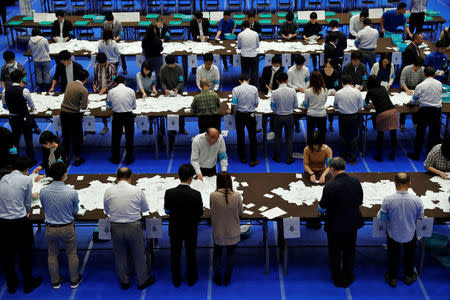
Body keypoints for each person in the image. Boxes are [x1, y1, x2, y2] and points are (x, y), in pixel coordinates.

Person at [103, 167, 155, 290]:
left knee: (120, 255)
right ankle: (142, 281)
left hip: (115, 227)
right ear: (130, 178)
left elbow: (106, 210)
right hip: (134, 227)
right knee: (139, 254)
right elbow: (145, 208)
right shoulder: (137, 190)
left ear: (116, 178)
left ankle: (124, 281)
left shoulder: (108, 191)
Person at [318, 157, 363, 288]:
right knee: (350, 251)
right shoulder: (355, 182)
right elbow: (360, 201)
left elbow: (322, 208)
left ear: (331, 169)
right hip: (351, 224)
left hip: (335, 225)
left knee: (335, 252)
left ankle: (337, 278)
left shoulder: (330, 187)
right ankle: (348, 276)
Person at [0, 156, 42, 294]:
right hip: (19, 221)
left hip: (3, 222)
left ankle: (11, 284)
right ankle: (28, 283)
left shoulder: (3, 178)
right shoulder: (26, 179)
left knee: (8, 254)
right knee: (25, 253)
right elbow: (27, 201)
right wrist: (27, 212)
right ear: (27, 170)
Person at [39, 162, 81, 290]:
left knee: (52, 255)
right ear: (64, 175)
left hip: (51, 228)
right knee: (72, 254)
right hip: (67, 228)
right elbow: (75, 211)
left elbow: (44, 208)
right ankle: (74, 280)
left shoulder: (43, 191)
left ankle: (55, 282)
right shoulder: (71, 192)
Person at [379, 172, 424, 288]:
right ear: (410, 183)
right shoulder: (417, 200)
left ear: (395, 183)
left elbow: (383, 218)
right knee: (410, 255)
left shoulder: (388, 200)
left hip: (393, 234)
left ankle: (392, 278)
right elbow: (420, 218)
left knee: (392, 256)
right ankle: (409, 276)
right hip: (410, 234)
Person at [164, 164, 203, 287]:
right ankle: (191, 278)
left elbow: (167, 211)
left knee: (175, 254)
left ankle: (176, 279)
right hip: (190, 229)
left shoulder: (169, 193)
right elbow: (200, 213)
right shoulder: (196, 194)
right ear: (192, 178)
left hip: (175, 228)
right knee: (191, 253)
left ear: (178, 176)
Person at [210, 171, 243, 286]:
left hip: (219, 232)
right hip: (233, 231)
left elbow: (212, 210)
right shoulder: (237, 196)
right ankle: (227, 277)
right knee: (231, 254)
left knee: (217, 253)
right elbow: (240, 212)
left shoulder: (213, 196)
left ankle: (218, 277)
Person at [407, 66, 443, 160]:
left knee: (420, 133)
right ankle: (431, 156)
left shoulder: (420, 86)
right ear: (434, 74)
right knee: (434, 135)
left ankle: (416, 154)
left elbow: (414, 100)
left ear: (424, 75)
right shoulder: (439, 84)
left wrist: (409, 103)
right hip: (437, 111)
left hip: (425, 111)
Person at [2, 70, 36, 163]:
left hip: (13, 119)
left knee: (14, 141)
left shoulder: (5, 91)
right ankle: (31, 159)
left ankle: (14, 159)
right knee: (28, 139)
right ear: (21, 79)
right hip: (24, 118)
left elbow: (4, 106)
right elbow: (32, 106)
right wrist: (31, 110)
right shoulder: (24, 91)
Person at [364, 75, 398, 162]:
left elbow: (365, 103)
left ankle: (379, 156)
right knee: (393, 134)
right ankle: (393, 153)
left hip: (382, 113)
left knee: (380, 136)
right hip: (393, 111)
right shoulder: (383, 88)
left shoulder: (370, 91)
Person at [60, 69, 89, 166]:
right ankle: (77, 158)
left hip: (63, 113)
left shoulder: (70, 84)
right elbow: (84, 107)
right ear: (85, 79)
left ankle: (65, 158)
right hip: (74, 115)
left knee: (66, 136)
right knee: (76, 137)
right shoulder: (84, 90)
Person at [333, 74, 364, 165]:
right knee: (353, 137)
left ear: (342, 83)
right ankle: (353, 158)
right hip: (354, 117)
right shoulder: (357, 92)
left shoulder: (338, 93)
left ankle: (343, 158)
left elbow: (335, 105)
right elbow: (360, 107)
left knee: (343, 137)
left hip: (343, 117)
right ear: (351, 82)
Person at [107, 76, 136, 166]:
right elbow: (134, 106)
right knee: (129, 137)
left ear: (115, 83)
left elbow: (108, 106)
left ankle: (115, 158)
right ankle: (129, 159)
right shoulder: (131, 91)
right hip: (128, 115)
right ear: (125, 82)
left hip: (117, 116)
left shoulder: (111, 92)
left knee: (115, 137)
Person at [232, 73, 259, 167]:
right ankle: (253, 160)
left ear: (239, 81)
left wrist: (231, 110)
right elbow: (256, 104)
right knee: (252, 137)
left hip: (240, 115)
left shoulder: (235, 89)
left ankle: (242, 157)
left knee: (240, 136)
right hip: (251, 115)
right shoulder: (254, 89)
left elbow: (234, 104)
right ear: (249, 79)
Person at [270, 72, 298, 164]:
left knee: (277, 138)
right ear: (287, 80)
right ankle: (289, 158)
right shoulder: (293, 91)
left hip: (278, 117)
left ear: (277, 81)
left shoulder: (274, 93)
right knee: (289, 138)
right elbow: (295, 106)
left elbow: (272, 107)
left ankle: (277, 157)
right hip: (289, 117)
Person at [160, 55, 187, 134]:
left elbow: (181, 81)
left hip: (178, 91)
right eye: (171, 64)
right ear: (167, 63)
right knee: (169, 110)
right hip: (167, 92)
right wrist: (165, 89)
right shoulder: (163, 69)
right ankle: (172, 129)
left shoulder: (179, 68)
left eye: (173, 63)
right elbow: (162, 81)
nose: (172, 65)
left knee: (181, 110)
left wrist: (177, 89)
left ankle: (182, 127)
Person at [93, 52, 117, 135]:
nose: (101, 65)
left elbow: (114, 80)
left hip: (111, 91)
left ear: (106, 61)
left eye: (102, 64)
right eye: (100, 63)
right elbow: (95, 79)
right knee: (102, 110)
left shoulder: (112, 67)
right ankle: (106, 125)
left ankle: (121, 126)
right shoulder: (96, 67)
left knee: (114, 110)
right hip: (100, 92)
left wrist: (106, 88)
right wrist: (94, 85)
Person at [399, 56, 425, 130]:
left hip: (417, 89)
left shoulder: (422, 69)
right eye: (418, 67)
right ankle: (402, 123)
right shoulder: (406, 69)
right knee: (404, 105)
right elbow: (402, 81)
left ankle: (415, 122)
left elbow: (423, 81)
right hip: (406, 89)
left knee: (416, 106)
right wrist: (407, 90)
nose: (418, 68)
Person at [303, 71, 327, 144]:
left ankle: (310, 149)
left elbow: (306, 104)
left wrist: (305, 103)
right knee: (322, 135)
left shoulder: (308, 91)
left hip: (311, 115)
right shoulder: (325, 90)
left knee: (310, 134)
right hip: (322, 115)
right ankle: (322, 150)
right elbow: (324, 101)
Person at [320, 59, 341, 132]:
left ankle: (331, 123)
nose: (328, 67)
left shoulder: (336, 73)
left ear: (332, 66)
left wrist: (335, 91)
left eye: (329, 66)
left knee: (331, 108)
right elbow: (319, 82)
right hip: (323, 92)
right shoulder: (321, 71)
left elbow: (337, 84)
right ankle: (323, 125)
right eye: (327, 66)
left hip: (332, 93)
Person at [237, 20, 260, 87]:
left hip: (244, 56)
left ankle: (245, 86)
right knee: (254, 72)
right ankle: (255, 86)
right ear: (250, 26)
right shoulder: (255, 33)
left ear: (242, 27)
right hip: (254, 56)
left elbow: (239, 47)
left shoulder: (240, 34)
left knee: (245, 72)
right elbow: (258, 46)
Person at [28, 27, 51, 92]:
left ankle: (40, 88)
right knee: (46, 73)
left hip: (36, 60)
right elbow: (48, 49)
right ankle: (47, 88)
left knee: (38, 73)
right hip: (45, 59)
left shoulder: (30, 41)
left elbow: (31, 50)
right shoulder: (44, 40)